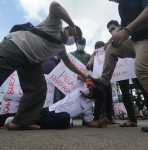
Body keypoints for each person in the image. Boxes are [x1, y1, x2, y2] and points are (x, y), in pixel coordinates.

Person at [0, 1, 87, 130]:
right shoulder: (56, 25)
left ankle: (21, 121)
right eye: (74, 38)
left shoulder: (60, 48)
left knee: (38, 88)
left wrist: (82, 74)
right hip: (16, 47)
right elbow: (54, 6)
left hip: (31, 61)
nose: (72, 42)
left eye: (74, 42)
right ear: (70, 30)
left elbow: (68, 63)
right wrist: (71, 23)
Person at [89, 0, 148, 131]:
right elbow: (123, 27)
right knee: (111, 49)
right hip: (134, 41)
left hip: (147, 38)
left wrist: (128, 30)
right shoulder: (122, 6)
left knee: (142, 69)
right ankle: (102, 85)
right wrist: (110, 40)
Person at [2, 79, 109, 129]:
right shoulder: (79, 86)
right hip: (50, 110)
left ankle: (25, 124)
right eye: (88, 84)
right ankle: (21, 121)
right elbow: (80, 75)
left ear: (91, 95)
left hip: (60, 117)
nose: (86, 86)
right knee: (23, 113)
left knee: (65, 118)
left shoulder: (88, 106)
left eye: (89, 87)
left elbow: (89, 121)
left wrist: (98, 124)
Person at [86, 41, 115, 124]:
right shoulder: (94, 54)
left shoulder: (109, 51)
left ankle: (109, 117)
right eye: (98, 46)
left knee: (109, 98)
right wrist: (89, 64)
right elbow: (91, 59)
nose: (100, 47)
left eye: (101, 46)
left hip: (107, 78)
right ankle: (96, 117)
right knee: (99, 98)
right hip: (98, 80)